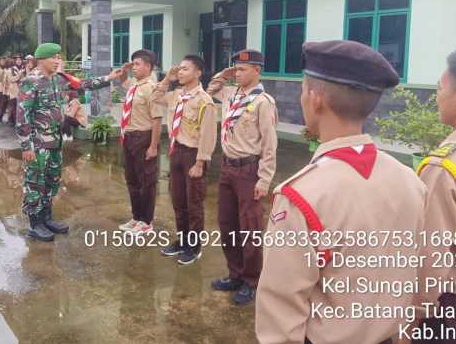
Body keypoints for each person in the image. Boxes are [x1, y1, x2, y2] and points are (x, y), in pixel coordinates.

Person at [255, 40, 427, 344]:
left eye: (303, 89)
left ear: (315, 98)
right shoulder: (411, 180)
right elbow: (414, 268)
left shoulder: (302, 196)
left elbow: (281, 308)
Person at [16, 42, 124, 242]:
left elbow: (83, 84)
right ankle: (35, 224)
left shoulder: (58, 79)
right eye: (54, 57)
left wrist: (109, 77)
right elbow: (23, 116)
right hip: (38, 144)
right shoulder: (30, 82)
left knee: (52, 180)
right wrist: (26, 146)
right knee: (35, 183)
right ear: (42, 60)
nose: (58, 61)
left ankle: (46, 218)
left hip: (55, 141)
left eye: (59, 57)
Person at [412, 45, 456, 343]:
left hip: (455, 313)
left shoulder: (447, 167)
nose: (437, 98)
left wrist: (411, 322)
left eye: (441, 88)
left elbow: (428, 260)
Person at [206, 49, 278, 305]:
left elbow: (270, 143)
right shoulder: (230, 94)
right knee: (227, 225)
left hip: (249, 171)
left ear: (257, 71)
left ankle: (251, 281)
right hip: (227, 167)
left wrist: (264, 179)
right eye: (236, 68)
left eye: (243, 69)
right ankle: (235, 274)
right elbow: (210, 91)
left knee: (250, 228)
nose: (238, 73)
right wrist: (222, 75)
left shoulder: (262, 102)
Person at [151, 55, 217, 265]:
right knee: (178, 200)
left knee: (194, 203)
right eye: (179, 68)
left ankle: (194, 247)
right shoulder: (176, 95)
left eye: (185, 69)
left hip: (193, 155)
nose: (180, 72)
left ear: (198, 73)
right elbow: (154, 97)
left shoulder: (204, 100)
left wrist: (200, 162)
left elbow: (208, 134)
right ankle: (182, 240)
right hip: (176, 151)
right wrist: (166, 80)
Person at [115, 49, 164, 236]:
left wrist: (153, 146)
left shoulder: (153, 88)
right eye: (133, 63)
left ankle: (146, 221)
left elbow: (157, 119)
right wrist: (124, 69)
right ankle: (136, 217)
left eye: (137, 64)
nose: (134, 67)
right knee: (132, 180)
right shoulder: (135, 86)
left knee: (147, 182)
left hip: (143, 138)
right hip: (129, 138)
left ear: (149, 67)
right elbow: (122, 80)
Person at [6, 53, 25, 126]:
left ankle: (19, 121)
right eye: (17, 60)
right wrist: (19, 75)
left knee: (20, 107)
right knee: (12, 106)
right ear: (14, 61)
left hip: (21, 90)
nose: (19, 61)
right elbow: (11, 79)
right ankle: (11, 120)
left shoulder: (23, 69)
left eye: (20, 60)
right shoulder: (11, 69)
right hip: (13, 90)